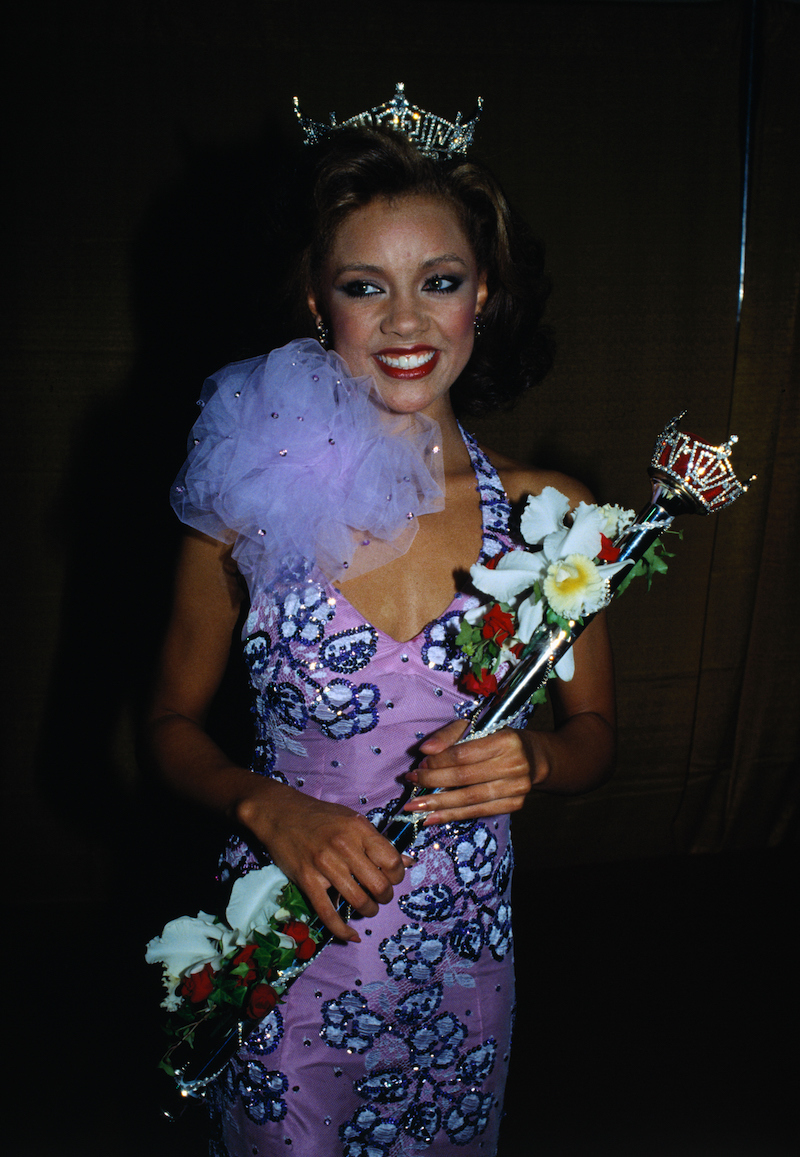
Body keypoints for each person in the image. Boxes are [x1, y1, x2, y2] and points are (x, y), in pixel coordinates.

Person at [146, 118, 615, 1156]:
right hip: (287, 945)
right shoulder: (243, 510)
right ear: (317, 302)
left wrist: (537, 755)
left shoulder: (555, 518)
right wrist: (264, 801)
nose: (406, 320)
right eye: (365, 285)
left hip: (464, 959)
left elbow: (594, 742)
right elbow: (168, 723)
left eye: (438, 279)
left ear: (482, 291)